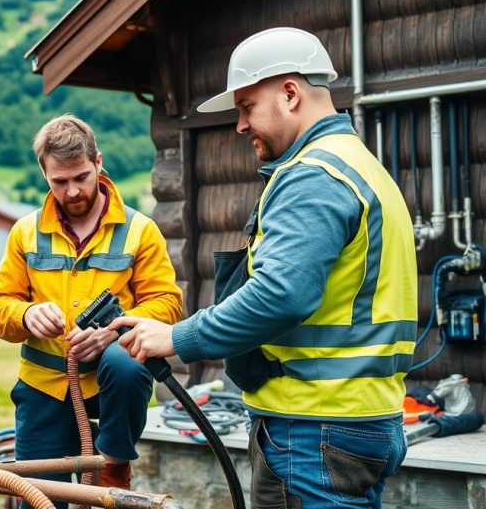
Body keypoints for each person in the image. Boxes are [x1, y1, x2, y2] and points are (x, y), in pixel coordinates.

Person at [108, 27, 417, 509]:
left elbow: (281, 293)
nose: (240, 125)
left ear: (290, 93)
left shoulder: (312, 176)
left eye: (247, 106)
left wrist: (177, 337)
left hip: (312, 429)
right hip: (362, 420)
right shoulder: (362, 167)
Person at [0, 115, 182, 505]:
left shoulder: (139, 230)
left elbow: (168, 304)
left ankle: (114, 463)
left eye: (81, 177)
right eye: (60, 182)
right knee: (40, 497)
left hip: (115, 386)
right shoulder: (25, 231)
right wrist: (25, 315)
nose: (73, 191)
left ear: (98, 163)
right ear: (44, 173)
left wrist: (113, 332)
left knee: (127, 364)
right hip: (45, 387)